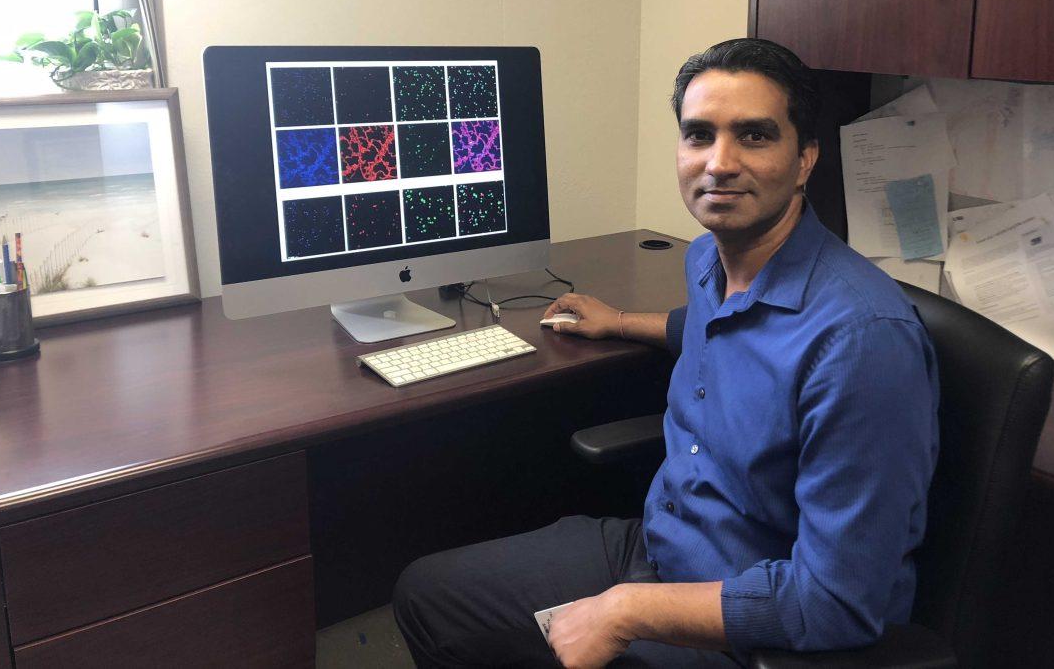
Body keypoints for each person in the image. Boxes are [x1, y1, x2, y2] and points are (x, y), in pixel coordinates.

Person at [393, 38, 939, 668]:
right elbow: (718, 330)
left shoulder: (862, 343)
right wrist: (621, 322)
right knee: (428, 596)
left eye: (755, 137)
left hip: (755, 616)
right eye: (698, 135)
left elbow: (839, 601)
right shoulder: (709, 258)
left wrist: (625, 611)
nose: (719, 163)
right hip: (661, 548)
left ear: (806, 158)